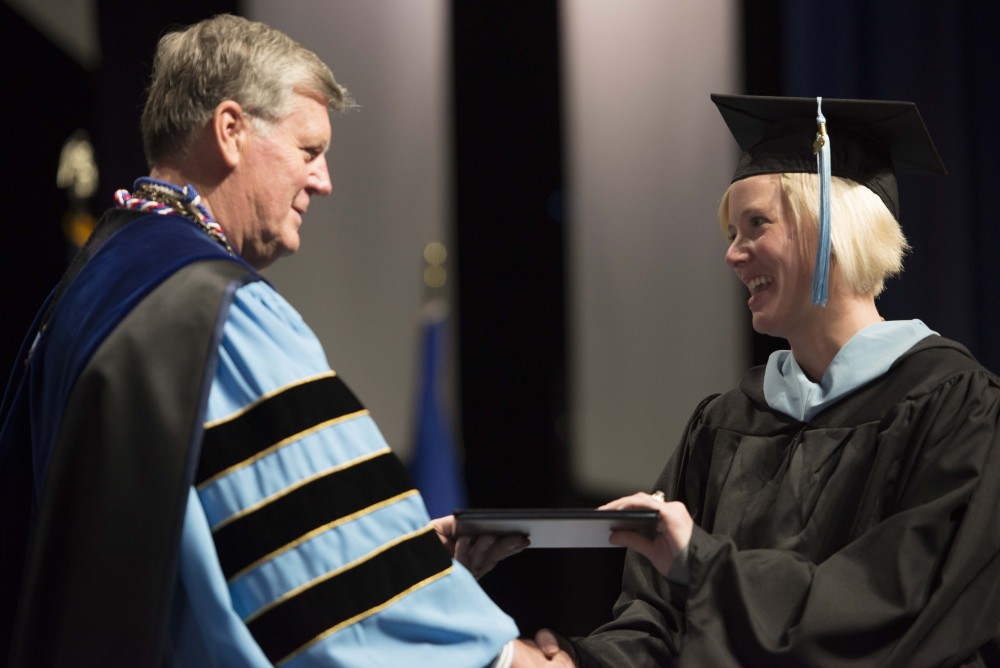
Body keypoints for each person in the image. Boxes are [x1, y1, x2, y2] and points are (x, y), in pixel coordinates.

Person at [0, 13, 570, 667]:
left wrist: (392, 549)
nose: (323, 180)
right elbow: (318, 577)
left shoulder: (92, 282)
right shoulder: (213, 307)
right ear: (232, 131)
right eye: (309, 150)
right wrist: (504, 657)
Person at [534, 94, 1000, 666]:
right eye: (732, 232)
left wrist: (702, 565)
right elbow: (655, 621)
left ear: (832, 225)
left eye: (756, 225)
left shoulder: (956, 407)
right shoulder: (724, 424)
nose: (733, 254)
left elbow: (902, 605)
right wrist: (577, 662)